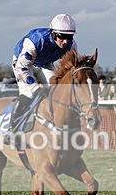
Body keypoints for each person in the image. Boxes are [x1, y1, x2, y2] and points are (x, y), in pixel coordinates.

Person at [7, 13, 78, 141]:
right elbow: (21, 68)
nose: (65, 41)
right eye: (62, 37)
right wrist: (34, 87)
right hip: (23, 65)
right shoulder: (36, 40)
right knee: (28, 93)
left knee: (55, 90)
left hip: (44, 64)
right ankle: (12, 130)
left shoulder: (71, 45)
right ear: (53, 33)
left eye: (69, 37)